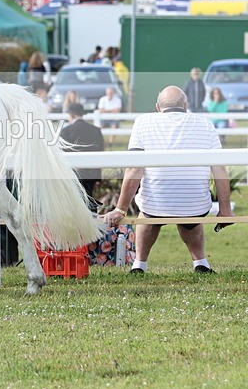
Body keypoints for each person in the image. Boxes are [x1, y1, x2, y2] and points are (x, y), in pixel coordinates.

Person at [100, 86, 235, 274]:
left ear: (157, 107)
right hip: (194, 206)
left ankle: (139, 264)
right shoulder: (205, 123)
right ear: (186, 106)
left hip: (155, 205)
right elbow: (219, 168)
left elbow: (134, 169)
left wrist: (120, 209)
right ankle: (201, 262)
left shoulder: (143, 122)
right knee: (192, 212)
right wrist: (225, 210)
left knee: (148, 213)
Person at [59, 103, 104, 201]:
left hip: (73, 173)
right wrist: (98, 176)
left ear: (71, 115)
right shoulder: (96, 130)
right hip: (91, 172)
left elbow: (62, 154)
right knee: (90, 199)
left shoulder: (66, 131)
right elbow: (100, 153)